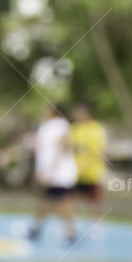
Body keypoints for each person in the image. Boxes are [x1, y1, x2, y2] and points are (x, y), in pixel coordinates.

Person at [27, 103, 78, 246]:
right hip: (49, 173)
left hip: (59, 174)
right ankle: (37, 228)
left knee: (62, 201)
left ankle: (69, 232)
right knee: (48, 201)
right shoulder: (45, 126)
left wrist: (49, 170)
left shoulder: (61, 125)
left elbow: (63, 148)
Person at [70, 102, 107, 236]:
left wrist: (88, 165)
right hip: (77, 173)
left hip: (93, 173)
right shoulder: (74, 129)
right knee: (74, 199)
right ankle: (74, 223)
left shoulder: (96, 129)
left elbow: (99, 151)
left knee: (95, 201)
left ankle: (97, 225)